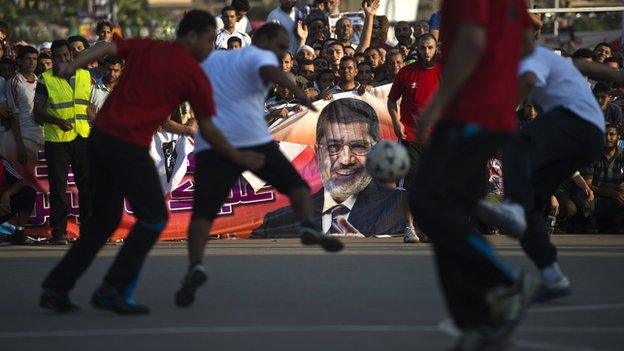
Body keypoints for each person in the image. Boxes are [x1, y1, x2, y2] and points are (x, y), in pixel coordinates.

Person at [39, 10, 262, 315]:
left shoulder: (148, 47)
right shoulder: (193, 74)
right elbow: (209, 128)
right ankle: (112, 289)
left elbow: (105, 48)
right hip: (126, 145)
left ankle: (56, 287)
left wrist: (72, 65)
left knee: (103, 221)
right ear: (192, 36)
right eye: (209, 40)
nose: (210, 47)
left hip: (100, 139)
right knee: (155, 216)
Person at [176, 23, 344, 308]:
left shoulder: (214, 58)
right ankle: (306, 225)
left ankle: (195, 266)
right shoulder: (257, 56)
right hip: (248, 140)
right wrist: (298, 91)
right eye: (279, 45)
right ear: (262, 39)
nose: (280, 52)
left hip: (213, 145)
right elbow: (273, 72)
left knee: (203, 214)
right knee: (299, 188)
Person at [411, 0, 538, 349]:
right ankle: (477, 322)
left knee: (427, 202)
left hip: (470, 113)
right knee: (447, 212)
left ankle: (504, 281)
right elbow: (527, 43)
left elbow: (472, 41)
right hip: (490, 111)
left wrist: (437, 103)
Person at [478, 45, 606, 303]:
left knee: (515, 139)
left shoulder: (530, 56)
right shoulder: (546, 63)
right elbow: (587, 66)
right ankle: (552, 276)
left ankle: (511, 206)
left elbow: (526, 80)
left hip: (580, 124)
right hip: (583, 140)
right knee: (529, 209)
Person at [253, 97, 404, 238]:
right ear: (318, 154)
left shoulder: (403, 206)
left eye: (358, 146)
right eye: (333, 147)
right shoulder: (277, 222)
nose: (345, 160)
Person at [33, 40, 92, 245]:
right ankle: (58, 232)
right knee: (58, 187)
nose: (63, 59)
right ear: (52, 57)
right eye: (58, 56)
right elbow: (37, 112)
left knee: (87, 186)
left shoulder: (85, 75)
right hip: (57, 140)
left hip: (82, 136)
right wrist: (57, 121)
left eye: (66, 55)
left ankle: (88, 230)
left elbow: (86, 105)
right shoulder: (45, 80)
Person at [387, 33, 440, 244]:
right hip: (411, 137)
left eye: (429, 47)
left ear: (435, 49)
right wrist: (395, 122)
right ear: (416, 49)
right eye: (422, 47)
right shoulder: (406, 73)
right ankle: (409, 228)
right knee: (410, 186)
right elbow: (392, 102)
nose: (426, 51)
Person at [4, 46, 43, 172]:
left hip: (43, 134)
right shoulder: (14, 82)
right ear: (19, 61)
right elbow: (13, 115)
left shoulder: (41, 81)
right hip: (25, 135)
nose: (32, 62)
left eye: (34, 59)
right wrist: (20, 146)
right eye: (27, 59)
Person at [582, 124, 624, 233]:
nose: (607, 137)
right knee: (584, 194)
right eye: (604, 134)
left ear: (618, 137)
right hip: (596, 197)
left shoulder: (622, 155)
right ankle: (591, 220)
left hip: (617, 198)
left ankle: (618, 221)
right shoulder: (593, 155)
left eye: (612, 134)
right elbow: (587, 184)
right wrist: (610, 192)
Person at [0, 155, 36, 245]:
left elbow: (19, 181)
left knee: (28, 192)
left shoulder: (2, 161)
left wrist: (7, 194)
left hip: (3, 207)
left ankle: (19, 233)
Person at [88, 56, 124, 120]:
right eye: (109, 69)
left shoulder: (124, 92)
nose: (111, 74)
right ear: (103, 68)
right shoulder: (92, 87)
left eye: (116, 70)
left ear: (121, 72)